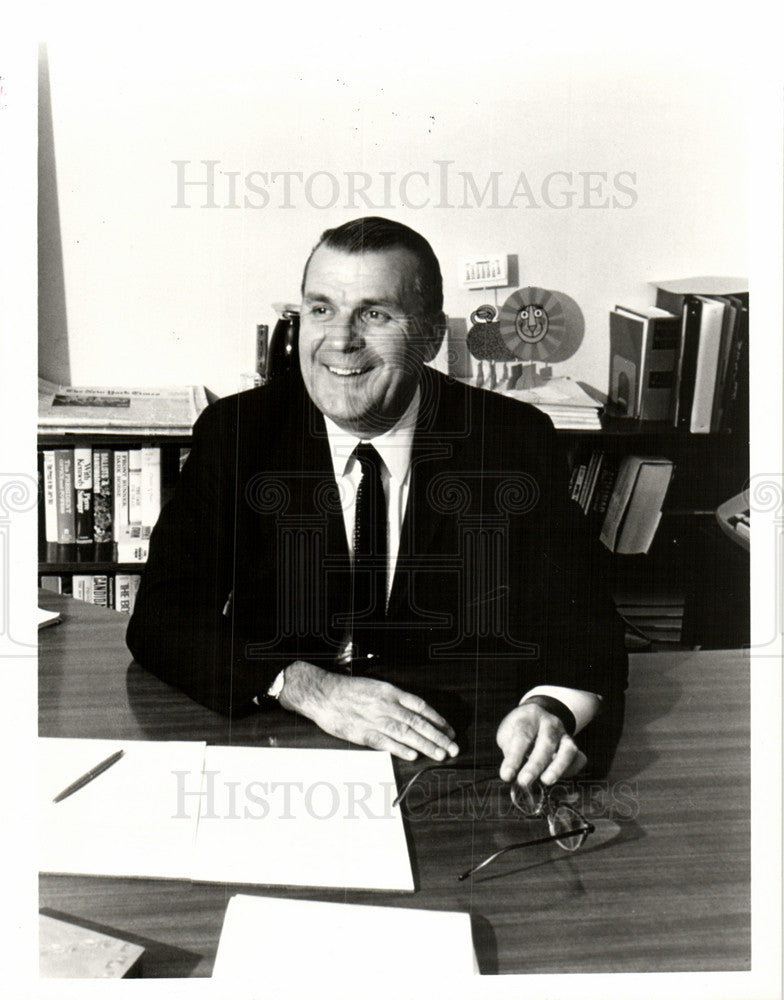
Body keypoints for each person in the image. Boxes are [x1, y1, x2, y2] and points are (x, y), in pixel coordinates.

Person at [127, 217, 627, 789]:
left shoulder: (509, 439)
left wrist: (548, 711)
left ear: (432, 336)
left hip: (452, 755)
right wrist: (303, 686)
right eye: (320, 309)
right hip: (281, 744)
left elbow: (587, 627)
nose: (340, 340)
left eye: (375, 314)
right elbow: (163, 618)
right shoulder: (240, 432)